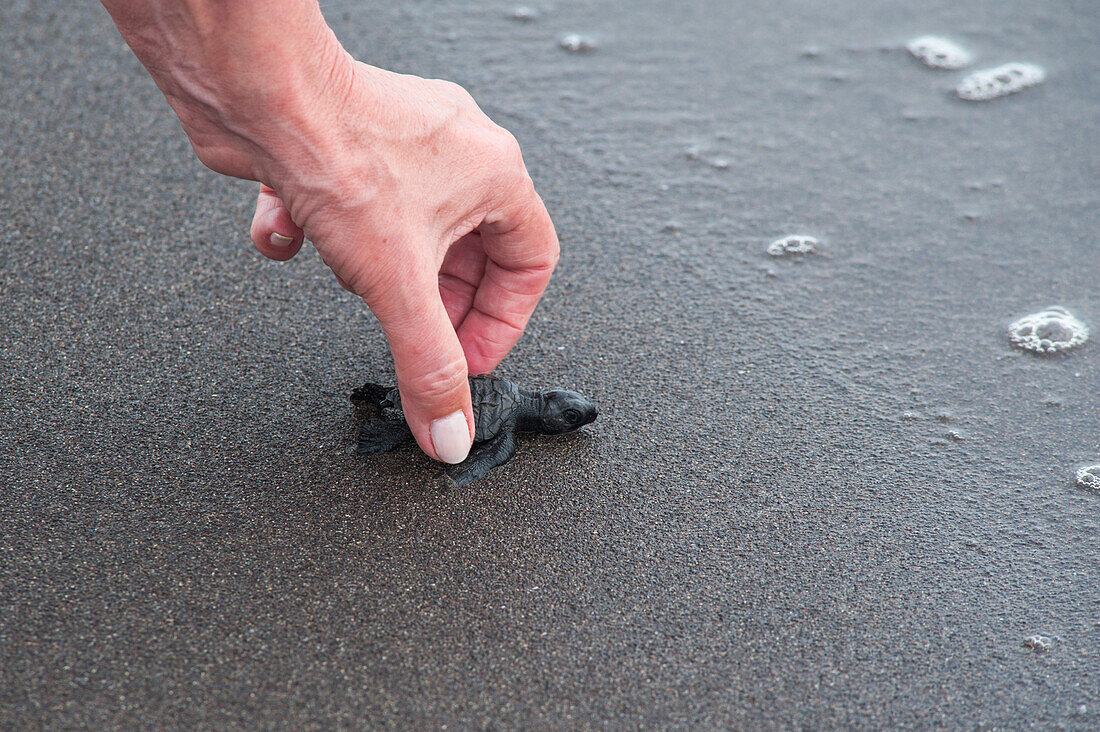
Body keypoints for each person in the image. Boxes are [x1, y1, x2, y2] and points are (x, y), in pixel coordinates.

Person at [99, 0, 560, 466]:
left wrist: (304, 109)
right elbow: (495, 447)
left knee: (390, 405)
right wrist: (313, 116)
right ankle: (397, 414)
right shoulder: (508, 408)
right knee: (397, 416)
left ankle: (386, 408)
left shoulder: (511, 397)